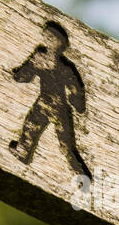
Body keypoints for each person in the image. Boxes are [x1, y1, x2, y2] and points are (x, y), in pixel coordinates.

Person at [8, 21, 91, 180]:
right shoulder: (62, 66)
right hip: (57, 106)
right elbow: (75, 89)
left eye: (48, 38)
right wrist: (78, 104)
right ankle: (78, 173)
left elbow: (24, 76)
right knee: (59, 141)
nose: (45, 40)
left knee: (33, 128)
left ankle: (24, 151)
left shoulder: (42, 59)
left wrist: (18, 74)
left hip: (46, 102)